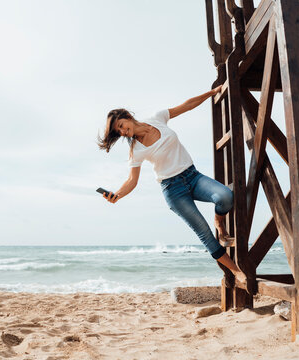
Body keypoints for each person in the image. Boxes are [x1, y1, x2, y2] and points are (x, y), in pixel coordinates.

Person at [97, 86, 246, 283]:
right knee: (204, 233)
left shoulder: (157, 117)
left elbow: (186, 106)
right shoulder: (136, 150)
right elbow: (132, 180)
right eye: (120, 131)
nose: (124, 132)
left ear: (127, 116)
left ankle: (219, 220)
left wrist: (210, 94)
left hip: (192, 176)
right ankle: (236, 271)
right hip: (173, 191)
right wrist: (117, 195)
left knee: (225, 196)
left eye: (123, 126)